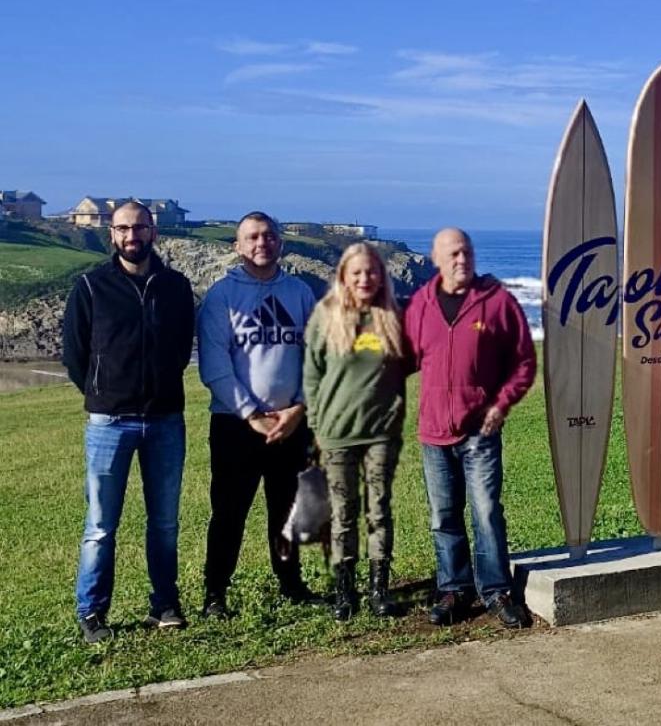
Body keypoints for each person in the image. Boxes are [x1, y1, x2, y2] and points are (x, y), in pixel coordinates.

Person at [62, 200, 195, 643]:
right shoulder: (91, 286)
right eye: (122, 228)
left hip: (164, 419)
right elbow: (75, 354)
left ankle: (165, 604)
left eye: (139, 227)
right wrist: (104, 392)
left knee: (164, 522)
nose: (131, 236)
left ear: (152, 231)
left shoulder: (176, 286)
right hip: (109, 422)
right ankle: (92, 611)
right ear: (111, 234)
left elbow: (180, 349)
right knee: (100, 525)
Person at [403, 228, 537, 629]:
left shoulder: (496, 302)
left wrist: (501, 405)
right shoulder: (421, 305)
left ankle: (496, 591)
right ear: (436, 258)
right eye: (453, 254)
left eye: (467, 252)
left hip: (479, 430)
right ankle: (454, 589)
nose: (462, 260)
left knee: (486, 512)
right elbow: (405, 358)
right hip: (433, 432)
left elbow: (524, 361)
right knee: (443, 516)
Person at [197, 211, 319, 618]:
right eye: (251, 237)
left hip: (291, 424)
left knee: (285, 509)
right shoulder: (221, 296)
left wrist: (298, 408)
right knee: (229, 512)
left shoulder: (300, 293)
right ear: (238, 246)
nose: (261, 243)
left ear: (280, 243)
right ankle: (215, 593)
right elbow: (214, 365)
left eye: (269, 236)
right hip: (235, 425)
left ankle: (291, 582)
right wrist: (251, 414)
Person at [303, 242, 407, 621]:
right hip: (336, 434)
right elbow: (312, 376)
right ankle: (345, 589)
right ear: (344, 275)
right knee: (342, 514)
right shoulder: (325, 316)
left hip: (381, 433)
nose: (365, 279)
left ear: (382, 275)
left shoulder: (392, 315)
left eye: (372, 272)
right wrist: (315, 425)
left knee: (379, 510)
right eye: (357, 272)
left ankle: (380, 588)